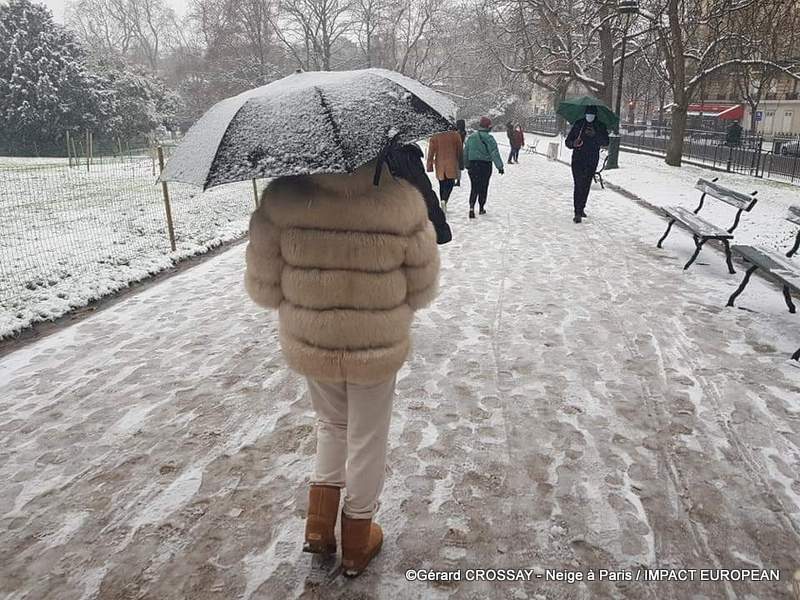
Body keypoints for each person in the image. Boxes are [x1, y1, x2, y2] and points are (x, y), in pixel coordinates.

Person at [244, 151, 442, 578]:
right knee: (368, 436)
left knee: (331, 425)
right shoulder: (402, 202)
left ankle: (319, 525)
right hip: (376, 343)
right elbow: (423, 289)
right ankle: (356, 540)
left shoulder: (282, 199)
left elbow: (262, 287)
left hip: (314, 340)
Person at [564, 105, 609, 223]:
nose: (590, 116)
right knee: (578, 184)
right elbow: (568, 142)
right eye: (588, 114)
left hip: (591, 160)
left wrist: (595, 135)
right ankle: (577, 212)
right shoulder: (579, 125)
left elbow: (606, 142)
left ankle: (581, 207)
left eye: (592, 114)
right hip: (578, 159)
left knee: (586, 185)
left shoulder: (600, 126)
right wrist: (574, 143)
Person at [463, 116, 504, 219]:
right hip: (485, 166)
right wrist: (500, 166)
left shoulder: (471, 137)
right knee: (483, 186)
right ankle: (481, 208)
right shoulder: (489, 138)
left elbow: (465, 152)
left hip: (473, 165)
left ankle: (471, 208)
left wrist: (466, 164)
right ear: (488, 127)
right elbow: (494, 153)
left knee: (474, 186)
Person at [426, 129, 464, 211]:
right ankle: (444, 200)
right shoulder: (455, 135)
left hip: (439, 163)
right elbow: (460, 150)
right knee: (450, 183)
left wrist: (429, 165)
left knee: (442, 184)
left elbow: (431, 152)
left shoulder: (435, 136)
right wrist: (461, 163)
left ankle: (442, 201)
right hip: (452, 162)